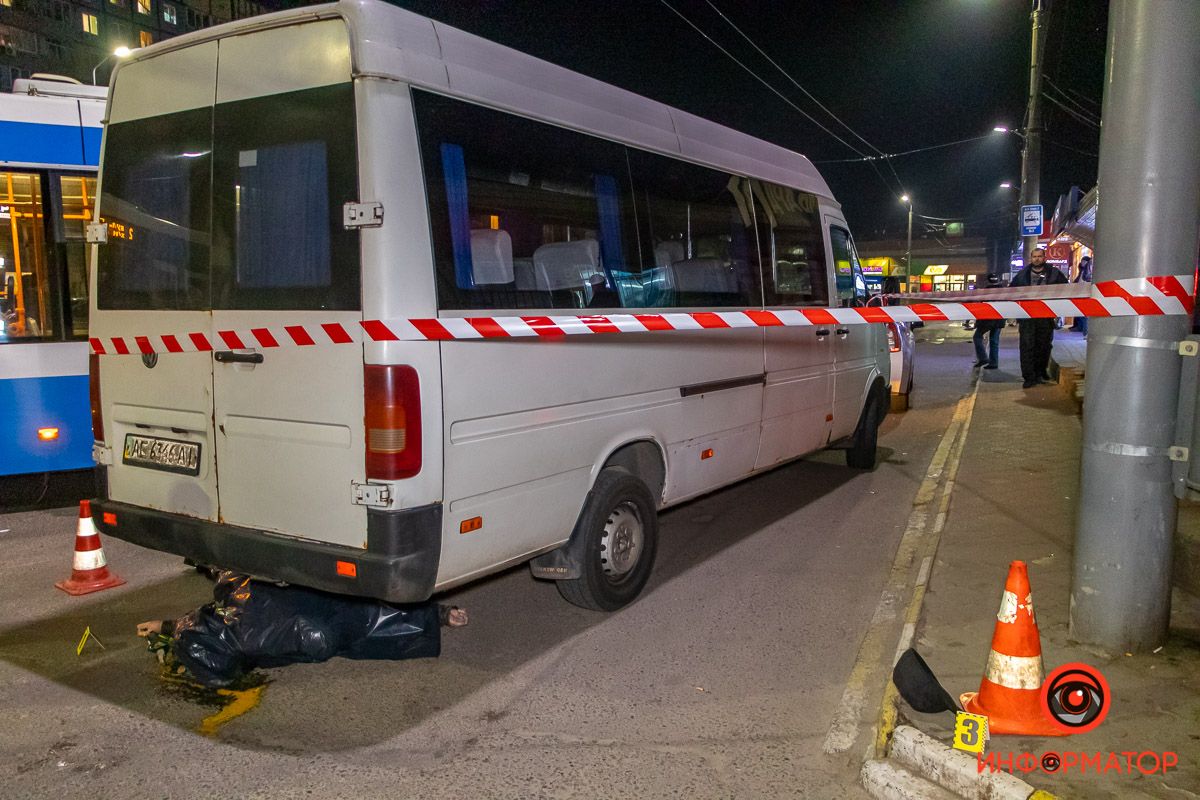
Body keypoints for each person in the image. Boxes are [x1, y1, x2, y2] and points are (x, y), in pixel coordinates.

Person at [1010, 248, 1068, 388]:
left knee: (1044, 346)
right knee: (1027, 346)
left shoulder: (1054, 273)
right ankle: (1029, 377)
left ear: (1044, 257)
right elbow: (1012, 291)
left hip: (1046, 316)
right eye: (1034, 256)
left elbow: (1065, 289)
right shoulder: (1022, 275)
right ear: (1031, 258)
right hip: (1027, 317)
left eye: (1039, 256)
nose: (1037, 259)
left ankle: (1040, 372)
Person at [972, 274, 1005, 370]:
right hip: (999, 319)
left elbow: (981, 307)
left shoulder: (985, 292)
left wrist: (977, 322)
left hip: (987, 320)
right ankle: (994, 363)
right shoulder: (1004, 291)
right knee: (994, 341)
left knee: (977, 337)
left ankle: (983, 358)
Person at [1070, 255, 1093, 334]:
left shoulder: (1087, 270)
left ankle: (1085, 330)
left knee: (1084, 314)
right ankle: (1080, 328)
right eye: (1082, 261)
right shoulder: (1082, 270)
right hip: (1079, 292)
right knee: (1079, 313)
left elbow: (1085, 279)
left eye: (1084, 261)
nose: (1082, 262)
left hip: (1084, 293)